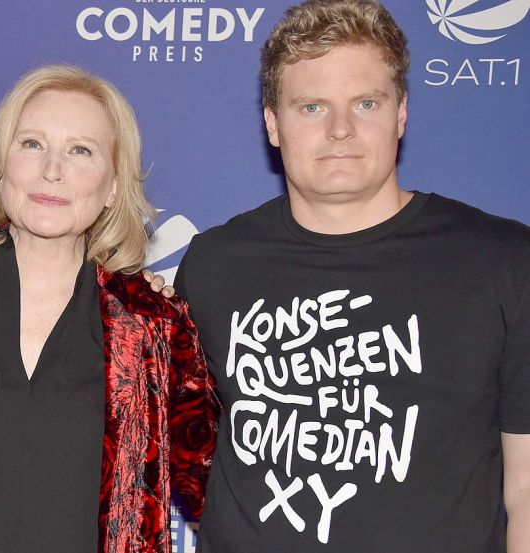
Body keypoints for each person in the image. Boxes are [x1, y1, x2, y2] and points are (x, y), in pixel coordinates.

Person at [174, 0, 530, 551]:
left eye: (366, 102)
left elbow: (525, 484)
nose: (341, 129)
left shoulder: (504, 259)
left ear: (401, 112)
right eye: (312, 107)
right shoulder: (213, 264)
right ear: (273, 122)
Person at [0, 64, 220, 553]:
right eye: (32, 144)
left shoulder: (154, 324)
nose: (53, 169)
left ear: (114, 186)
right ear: (0, 166)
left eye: (81, 150)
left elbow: (218, 492)